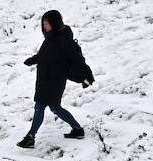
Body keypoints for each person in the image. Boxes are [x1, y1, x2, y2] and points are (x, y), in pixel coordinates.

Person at [16, 9, 94, 149]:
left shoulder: (63, 40)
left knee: (39, 107)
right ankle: (77, 129)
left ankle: (30, 137)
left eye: (47, 23)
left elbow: (76, 59)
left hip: (55, 80)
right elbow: (45, 55)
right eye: (44, 23)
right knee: (55, 107)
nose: (45, 26)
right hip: (45, 79)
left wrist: (87, 75)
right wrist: (33, 60)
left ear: (54, 23)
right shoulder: (50, 38)